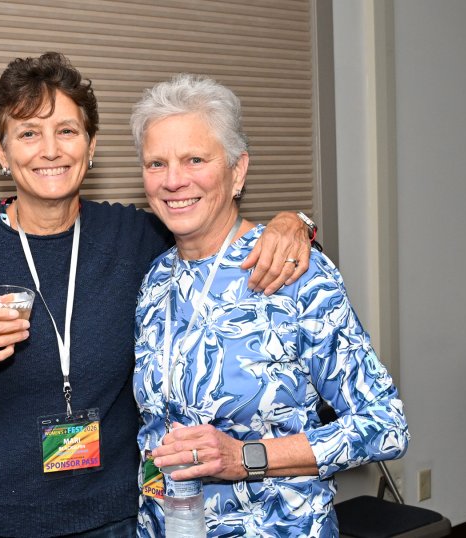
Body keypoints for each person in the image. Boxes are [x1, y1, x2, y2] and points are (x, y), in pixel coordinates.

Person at [0, 52, 314, 537]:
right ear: (2, 153)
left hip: (103, 519)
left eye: (67, 131)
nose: (50, 149)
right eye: (28, 133)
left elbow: (215, 222)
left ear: (91, 147)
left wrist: (295, 223)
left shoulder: (136, 236)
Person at [131, 74, 409, 537]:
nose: (173, 180)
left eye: (195, 159)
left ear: (237, 171)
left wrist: (245, 459)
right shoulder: (156, 279)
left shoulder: (292, 271)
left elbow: (385, 425)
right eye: (156, 163)